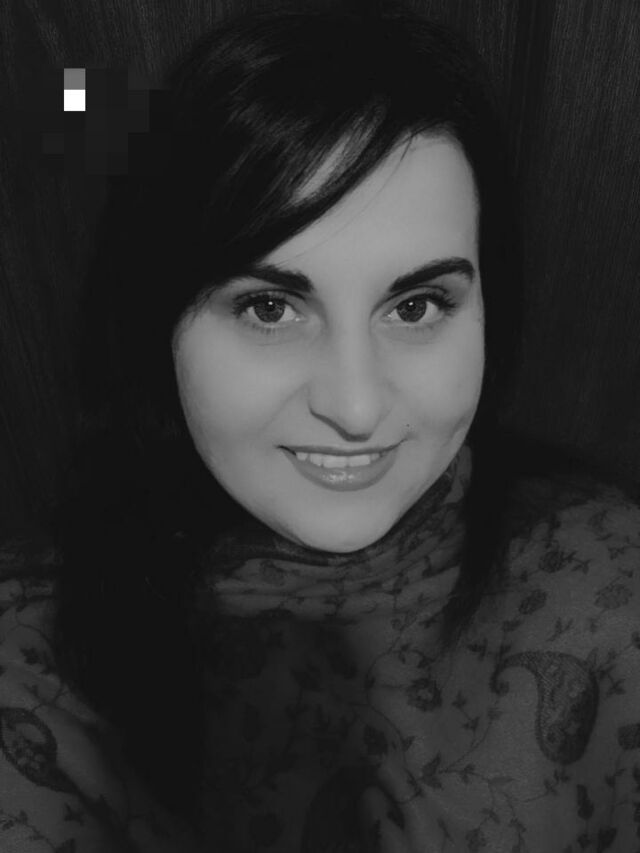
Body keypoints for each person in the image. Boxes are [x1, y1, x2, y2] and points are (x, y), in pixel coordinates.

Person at [1, 4, 637, 852]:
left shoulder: (611, 583)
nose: (356, 405)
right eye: (270, 307)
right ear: (159, 320)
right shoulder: (29, 666)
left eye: (417, 305)